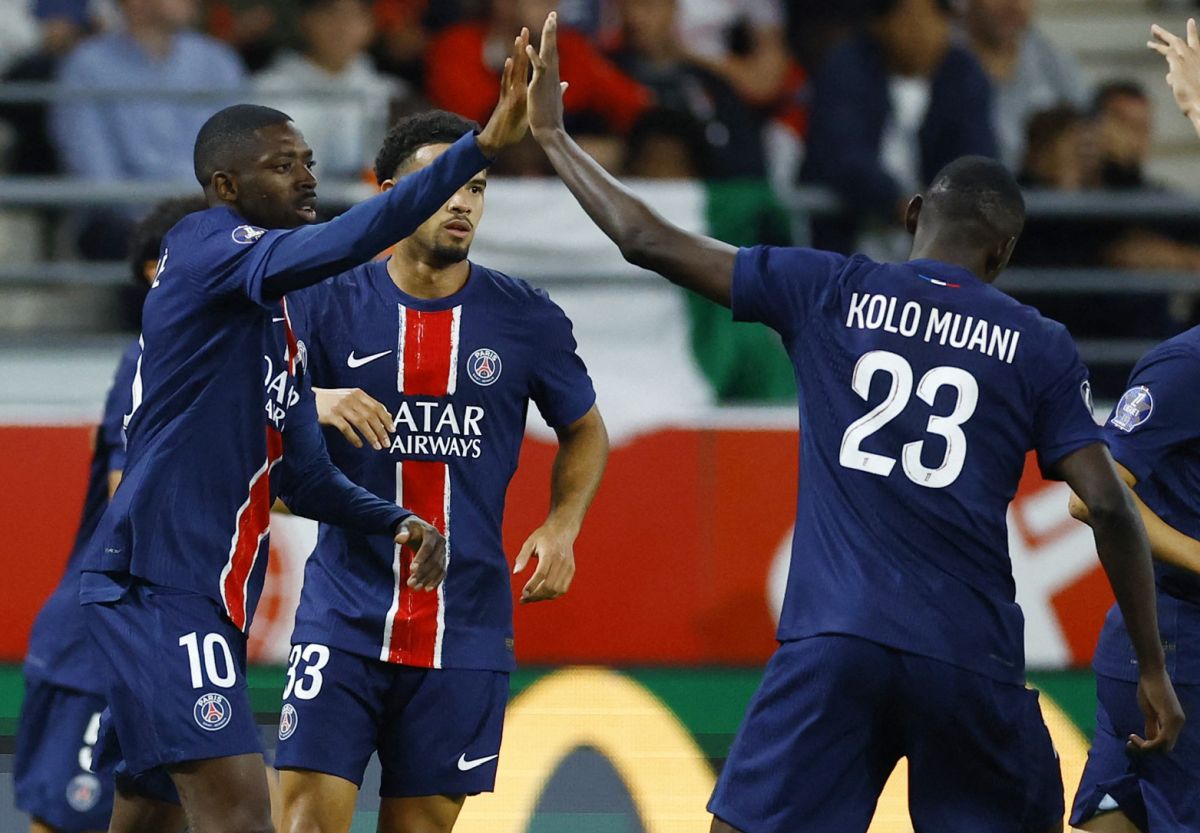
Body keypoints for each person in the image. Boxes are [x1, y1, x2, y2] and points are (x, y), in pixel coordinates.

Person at [524, 12, 1184, 831]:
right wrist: (1153, 668)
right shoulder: (1038, 343)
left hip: (836, 638)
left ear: (912, 213)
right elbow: (1110, 504)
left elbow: (643, 237)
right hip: (967, 657)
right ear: (1003, 255)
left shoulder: (829, 289)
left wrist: (554, 137)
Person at [78, 32, 531, 833]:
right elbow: (345, 242)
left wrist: (395, 519)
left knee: (149, 814)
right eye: (282, 164)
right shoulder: (204, 245)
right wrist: (476, 150)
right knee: (246, 817)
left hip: (203, 594)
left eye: (309, 160)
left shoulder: (273, 321)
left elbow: (305, 476)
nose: (306, 175)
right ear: (225, 185)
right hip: (161, 588)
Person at [272, 108, 609, 833]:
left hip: (467, 628)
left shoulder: (526, 317)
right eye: (444, 181)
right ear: (388, 191)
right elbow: (249, 427)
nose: (462, 201)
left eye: (478, 186)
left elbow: (584, 429)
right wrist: (313, 401)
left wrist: (562, 523)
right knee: (303, 824)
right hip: (344, 615)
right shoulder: (322, 303)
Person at [13, 196, 203, 833]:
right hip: (97, 645)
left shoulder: (232, 360)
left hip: (167, 647)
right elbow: (133, 489)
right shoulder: (150, 361)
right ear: (158, 273)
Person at [800, 0, 998, 254]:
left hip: (938, 249)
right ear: (879, 24)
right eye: (909, 18)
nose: (921, 31)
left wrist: (945, 208)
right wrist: (899, 205)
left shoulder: (963, 73)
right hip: (850, 245)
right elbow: (841, 153)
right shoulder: (847, 66)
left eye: (934, 18)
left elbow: (978, 156)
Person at [50, 0, 245, 256]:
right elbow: (97, 179)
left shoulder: (218, 61)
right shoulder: (86, 66)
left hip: (212, 216)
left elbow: (242, 157)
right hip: (128, 223)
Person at [255, 0, 409, 180]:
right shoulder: (266, 90)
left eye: (354, 16)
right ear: (305, 20)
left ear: (371, 25)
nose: (341, 26)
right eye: (330, 13)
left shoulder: (391, 93)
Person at [961, 0, 1089, 170]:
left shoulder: (1055, 63)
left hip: (1044, 193)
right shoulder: (935, 57)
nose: (1013, 5)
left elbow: (1085, 133)